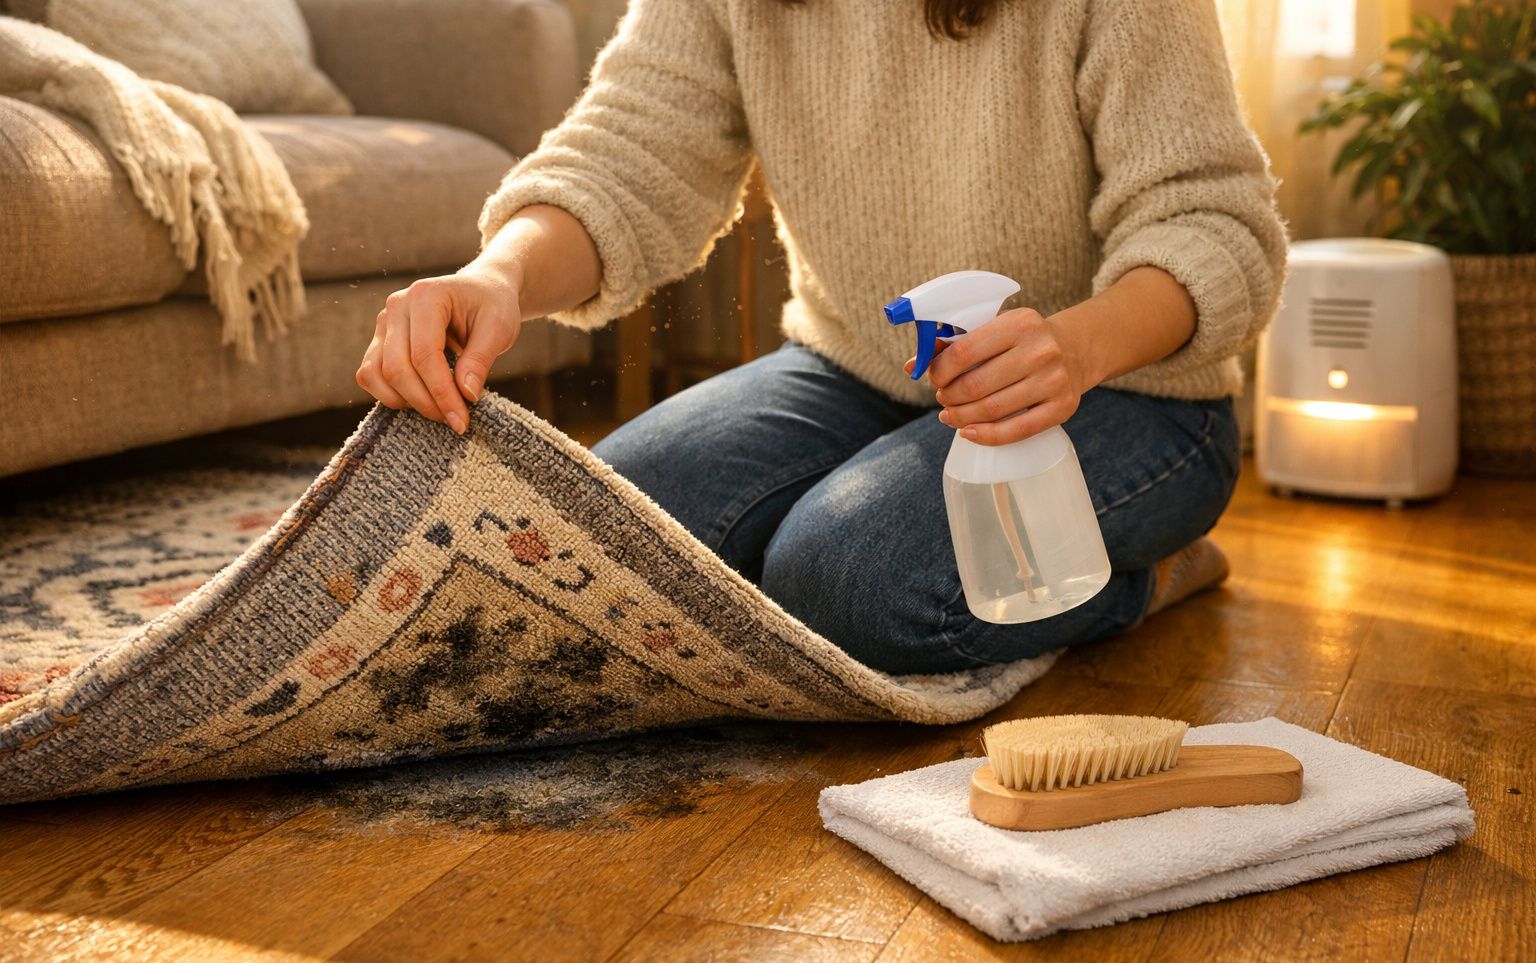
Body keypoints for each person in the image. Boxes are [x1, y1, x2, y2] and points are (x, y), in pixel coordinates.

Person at [354, 0, 1286, 675]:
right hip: (854, 371)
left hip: (1129, 393)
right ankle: (871, 505)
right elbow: (627, 154)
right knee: (604, 548)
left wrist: (1077, 348)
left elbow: (1215, 223)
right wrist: (499, 274)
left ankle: (1148, 578)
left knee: (850, 587)